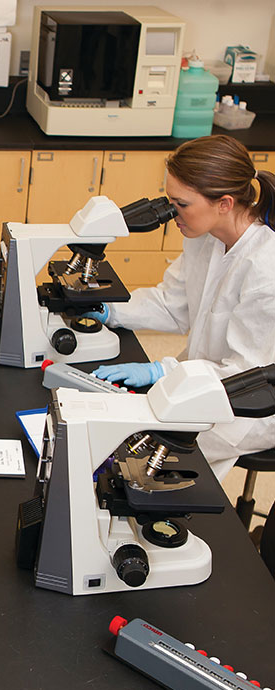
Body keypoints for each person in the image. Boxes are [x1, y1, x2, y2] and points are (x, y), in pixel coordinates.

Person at [88, 134, 275, 481]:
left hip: (248, 406)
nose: (173, 213)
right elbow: (173, 305)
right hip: (201, 381)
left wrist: (162, 371)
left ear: (224, 203)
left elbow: (247, 375)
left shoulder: (266, 269)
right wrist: (109, 310)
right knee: (125, 423)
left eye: (182, 204)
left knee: (147, 455)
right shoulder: (207, 237)